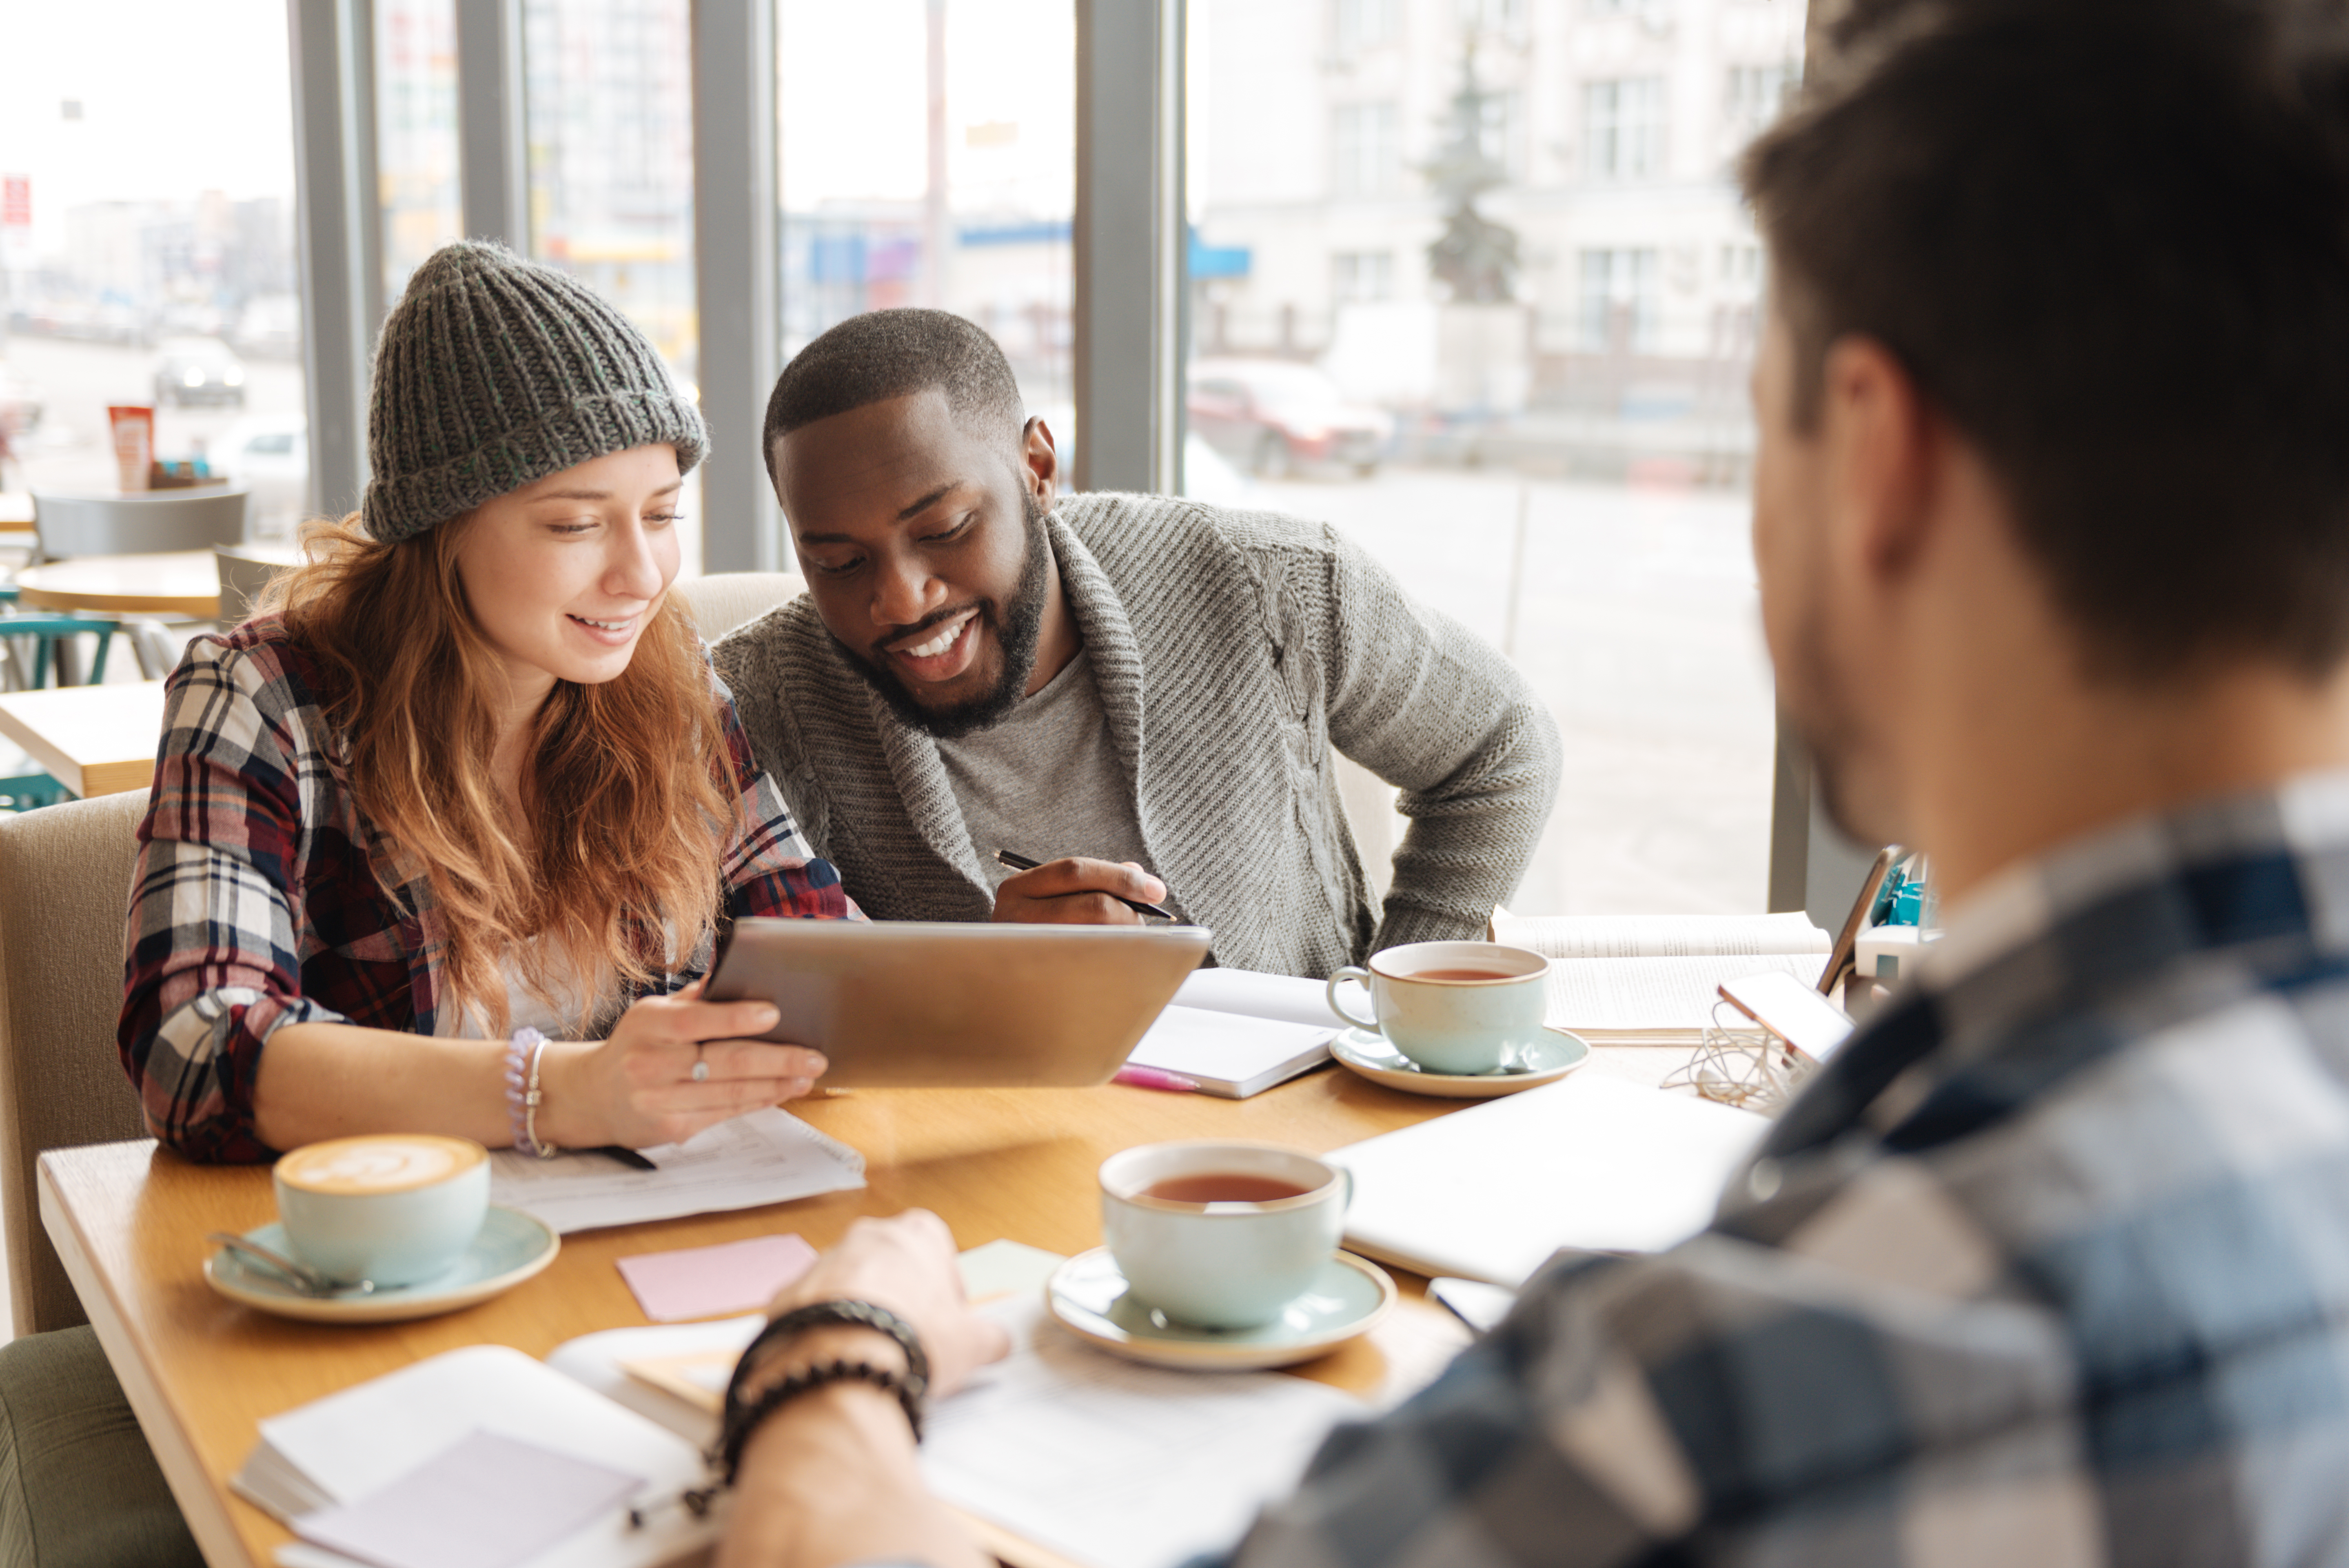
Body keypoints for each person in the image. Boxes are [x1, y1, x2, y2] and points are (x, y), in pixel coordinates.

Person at [703, 0, 2349, 1562]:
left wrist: (827, 1366)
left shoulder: (1741, 1374)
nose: (898, 593)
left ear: (1874, 455)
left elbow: (1498, 745)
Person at [119, 240, 852, 1164]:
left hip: (654, 1223)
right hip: (387, 1251)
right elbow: (191, 1051)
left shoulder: (667, 675)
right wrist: (556, 1093)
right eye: (576, 523)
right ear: (440, 528)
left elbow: (814, 940)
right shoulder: (266, 697)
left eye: (662, 514)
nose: (641, 574)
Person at [712, 311, 1561, 979]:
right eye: (836, 560)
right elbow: (719, 999)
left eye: (945, 527)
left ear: (1037, 468)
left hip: (1298, 1133)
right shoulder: (746, 705)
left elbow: (1501, 749)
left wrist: (1390, 1003)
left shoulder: (1273, 584)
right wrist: (978, 973)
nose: (898, 596)